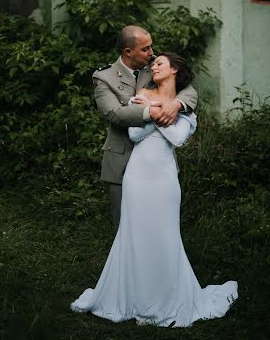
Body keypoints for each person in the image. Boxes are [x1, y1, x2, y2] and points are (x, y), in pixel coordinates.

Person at [71, 53, 238, 327]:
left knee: (165, 236)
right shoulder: (143, 94)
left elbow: (178, 137)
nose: (153, 65)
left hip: (164, 179)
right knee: (133, 235)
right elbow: (134, 135)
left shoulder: (181, 104)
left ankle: (165, 299)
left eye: (160, 63)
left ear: (174, 69)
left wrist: (153, 110)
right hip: (136, 176)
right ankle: (132, 298)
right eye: (153, 62)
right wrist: (156, 112)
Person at [92, 25, 197, 230]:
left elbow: (189, 89)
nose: (151, 53)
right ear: (127, 52)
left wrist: (176, 105)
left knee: (159, 224)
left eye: (151, 47)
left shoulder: (154, 66)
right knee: (125, 227)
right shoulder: (104, 77)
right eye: (145, 49)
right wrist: (152, 112)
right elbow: (113, 113)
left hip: (157, 161)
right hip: (121, 158)